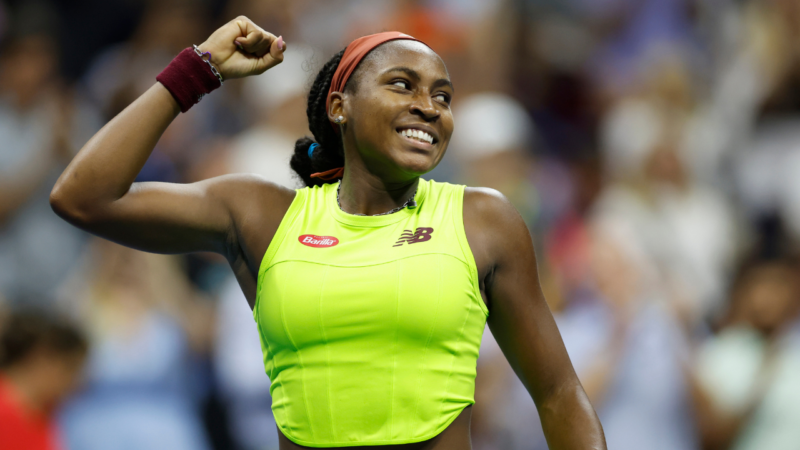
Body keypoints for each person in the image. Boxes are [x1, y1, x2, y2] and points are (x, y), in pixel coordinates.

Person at [50, 16, 605, 449]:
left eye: (443, 96)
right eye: (402, 85)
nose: (429, 107)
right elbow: (84, 197)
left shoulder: (483, 218)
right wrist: (198, 70)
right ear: (340, 106)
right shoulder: (262, 215)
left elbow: (558, 393)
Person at [0, 309, 88, 450]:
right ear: (43, 358)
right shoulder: (5, 412)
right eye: (71, 369)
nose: (77, 384)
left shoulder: (46, 412)